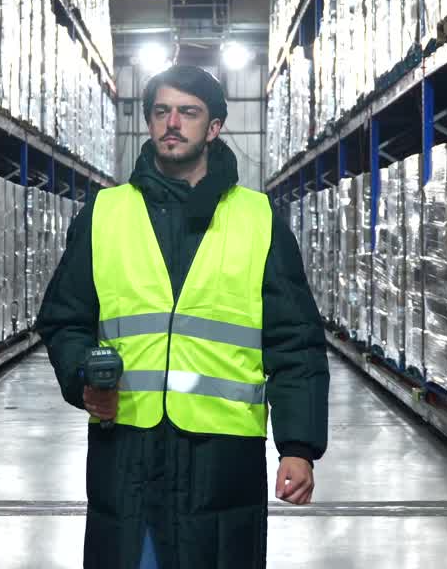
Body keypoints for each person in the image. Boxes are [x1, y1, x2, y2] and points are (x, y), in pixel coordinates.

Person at [36, 64, 330, 569]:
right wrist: (84, 375)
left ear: (213, 127)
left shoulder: (257, 219)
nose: (172, 123)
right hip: (127, 446)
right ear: (150, 123)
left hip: (220, 457)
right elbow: (64, 318)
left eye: (188, 112)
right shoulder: (105, 213)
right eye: (161, 111)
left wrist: (297, 446)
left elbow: (295, 340)